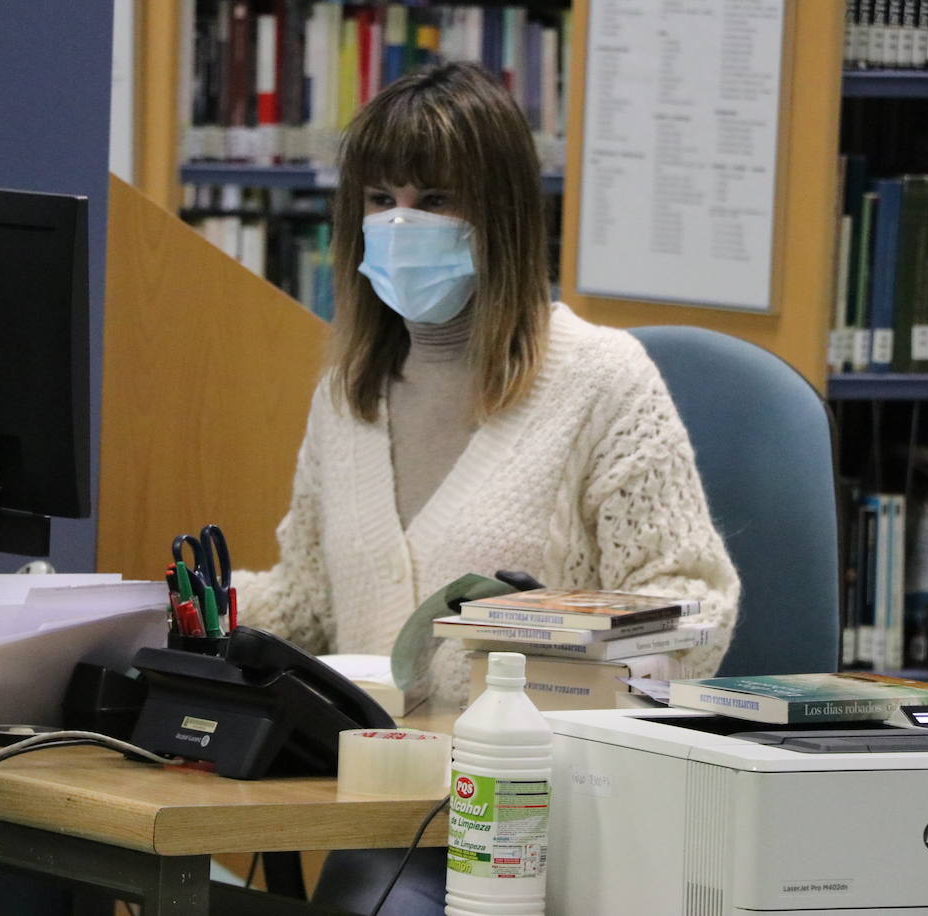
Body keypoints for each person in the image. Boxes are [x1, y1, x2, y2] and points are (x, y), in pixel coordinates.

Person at [234, 62, 740, 912]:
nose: (401, 223)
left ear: (499, 217)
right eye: (380, 199)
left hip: (547, 824)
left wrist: (556, 648)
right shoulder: (349, 395)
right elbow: (309, 601)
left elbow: (692, 607)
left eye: (435, 200)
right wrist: (174, 618)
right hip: (385, 821)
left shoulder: (602, 380)